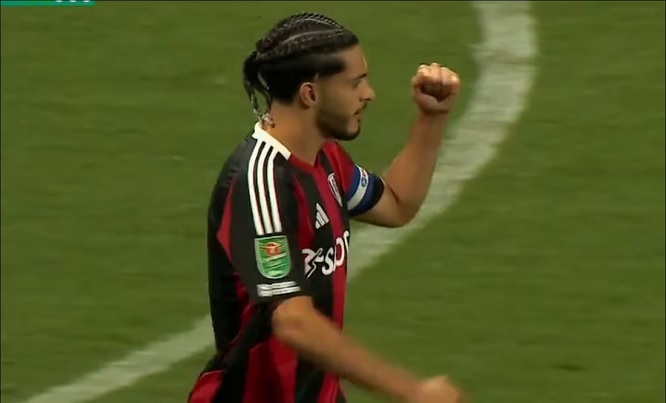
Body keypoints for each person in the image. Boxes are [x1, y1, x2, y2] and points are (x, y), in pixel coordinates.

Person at [188, 11, 464, 403]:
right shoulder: (262, 182)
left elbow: (396, 204)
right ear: (310, 94)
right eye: (355, 83)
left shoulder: (326, 161)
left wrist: (430, 119)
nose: (368, 94)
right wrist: (412, 390)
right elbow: (292, 321)